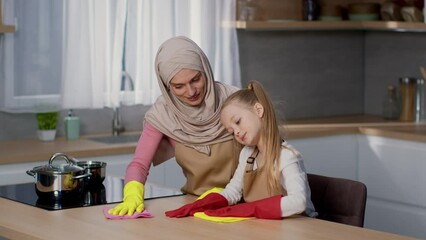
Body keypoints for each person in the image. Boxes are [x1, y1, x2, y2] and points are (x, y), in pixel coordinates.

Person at [108, 36, 239, 217]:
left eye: (195, 79)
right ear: (166, 86)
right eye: (179, 86)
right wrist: (132, 195)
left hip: (244, 204)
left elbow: (270, 152)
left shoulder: (236, 101)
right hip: (198, 207)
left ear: (205, 70)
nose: (191, 91)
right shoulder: (163, 115)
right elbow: (139, 164)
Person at [165, 81, 317, 221]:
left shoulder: (287, 156)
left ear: (258, 110)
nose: (236, 132)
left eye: (238, 122)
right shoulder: (248, 154)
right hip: (268, 227)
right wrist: (202, 204)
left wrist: (248, 208)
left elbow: (299, 202)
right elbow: (233, 192)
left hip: (301, 226)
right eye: (231, 131)